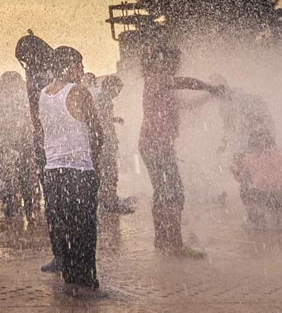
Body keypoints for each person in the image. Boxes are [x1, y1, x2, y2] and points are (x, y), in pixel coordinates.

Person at [139, 44, 224, 257]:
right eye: (174, 61)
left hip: (153, 145)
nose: (177, 65)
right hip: (157, 146)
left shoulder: (160, 85)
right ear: (162, 61)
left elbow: (188, 105)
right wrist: (210, 87)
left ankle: (161, 240)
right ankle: (176, 245)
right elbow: (185, 82)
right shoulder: (158, 78)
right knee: (175, 193)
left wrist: (211, 96)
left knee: (162, 192)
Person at [38, 47, 104, 297]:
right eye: (80, 64)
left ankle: (70, 281)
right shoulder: (78, 91)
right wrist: (94, 163)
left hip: (53, 172)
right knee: (84, 229)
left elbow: (41, 133)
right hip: (78, 171)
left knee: (64, 227)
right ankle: (86, 284)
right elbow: (97, 132)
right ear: (68, 66)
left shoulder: (43, 94)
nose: (83, 70)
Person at [0, 71, 37, 226]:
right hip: (21, 143)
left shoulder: (1, 100)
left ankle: (11, 208)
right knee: (25, 178)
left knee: (9, 177)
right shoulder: (22, 98)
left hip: (8, 143)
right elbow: (29, 120)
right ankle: (28, 212)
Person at [89, 75, 131, 214]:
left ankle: (107, 201)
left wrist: (114, 119)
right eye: (117, 90)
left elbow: (100, 116)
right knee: (110, 172)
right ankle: (110, 203)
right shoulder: (105, 97)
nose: (117, 94)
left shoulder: (100, 96)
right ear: (111, 86)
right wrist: (111, 138)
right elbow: (103, 119)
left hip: (100, 140)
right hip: (105, 142)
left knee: (106, 173)